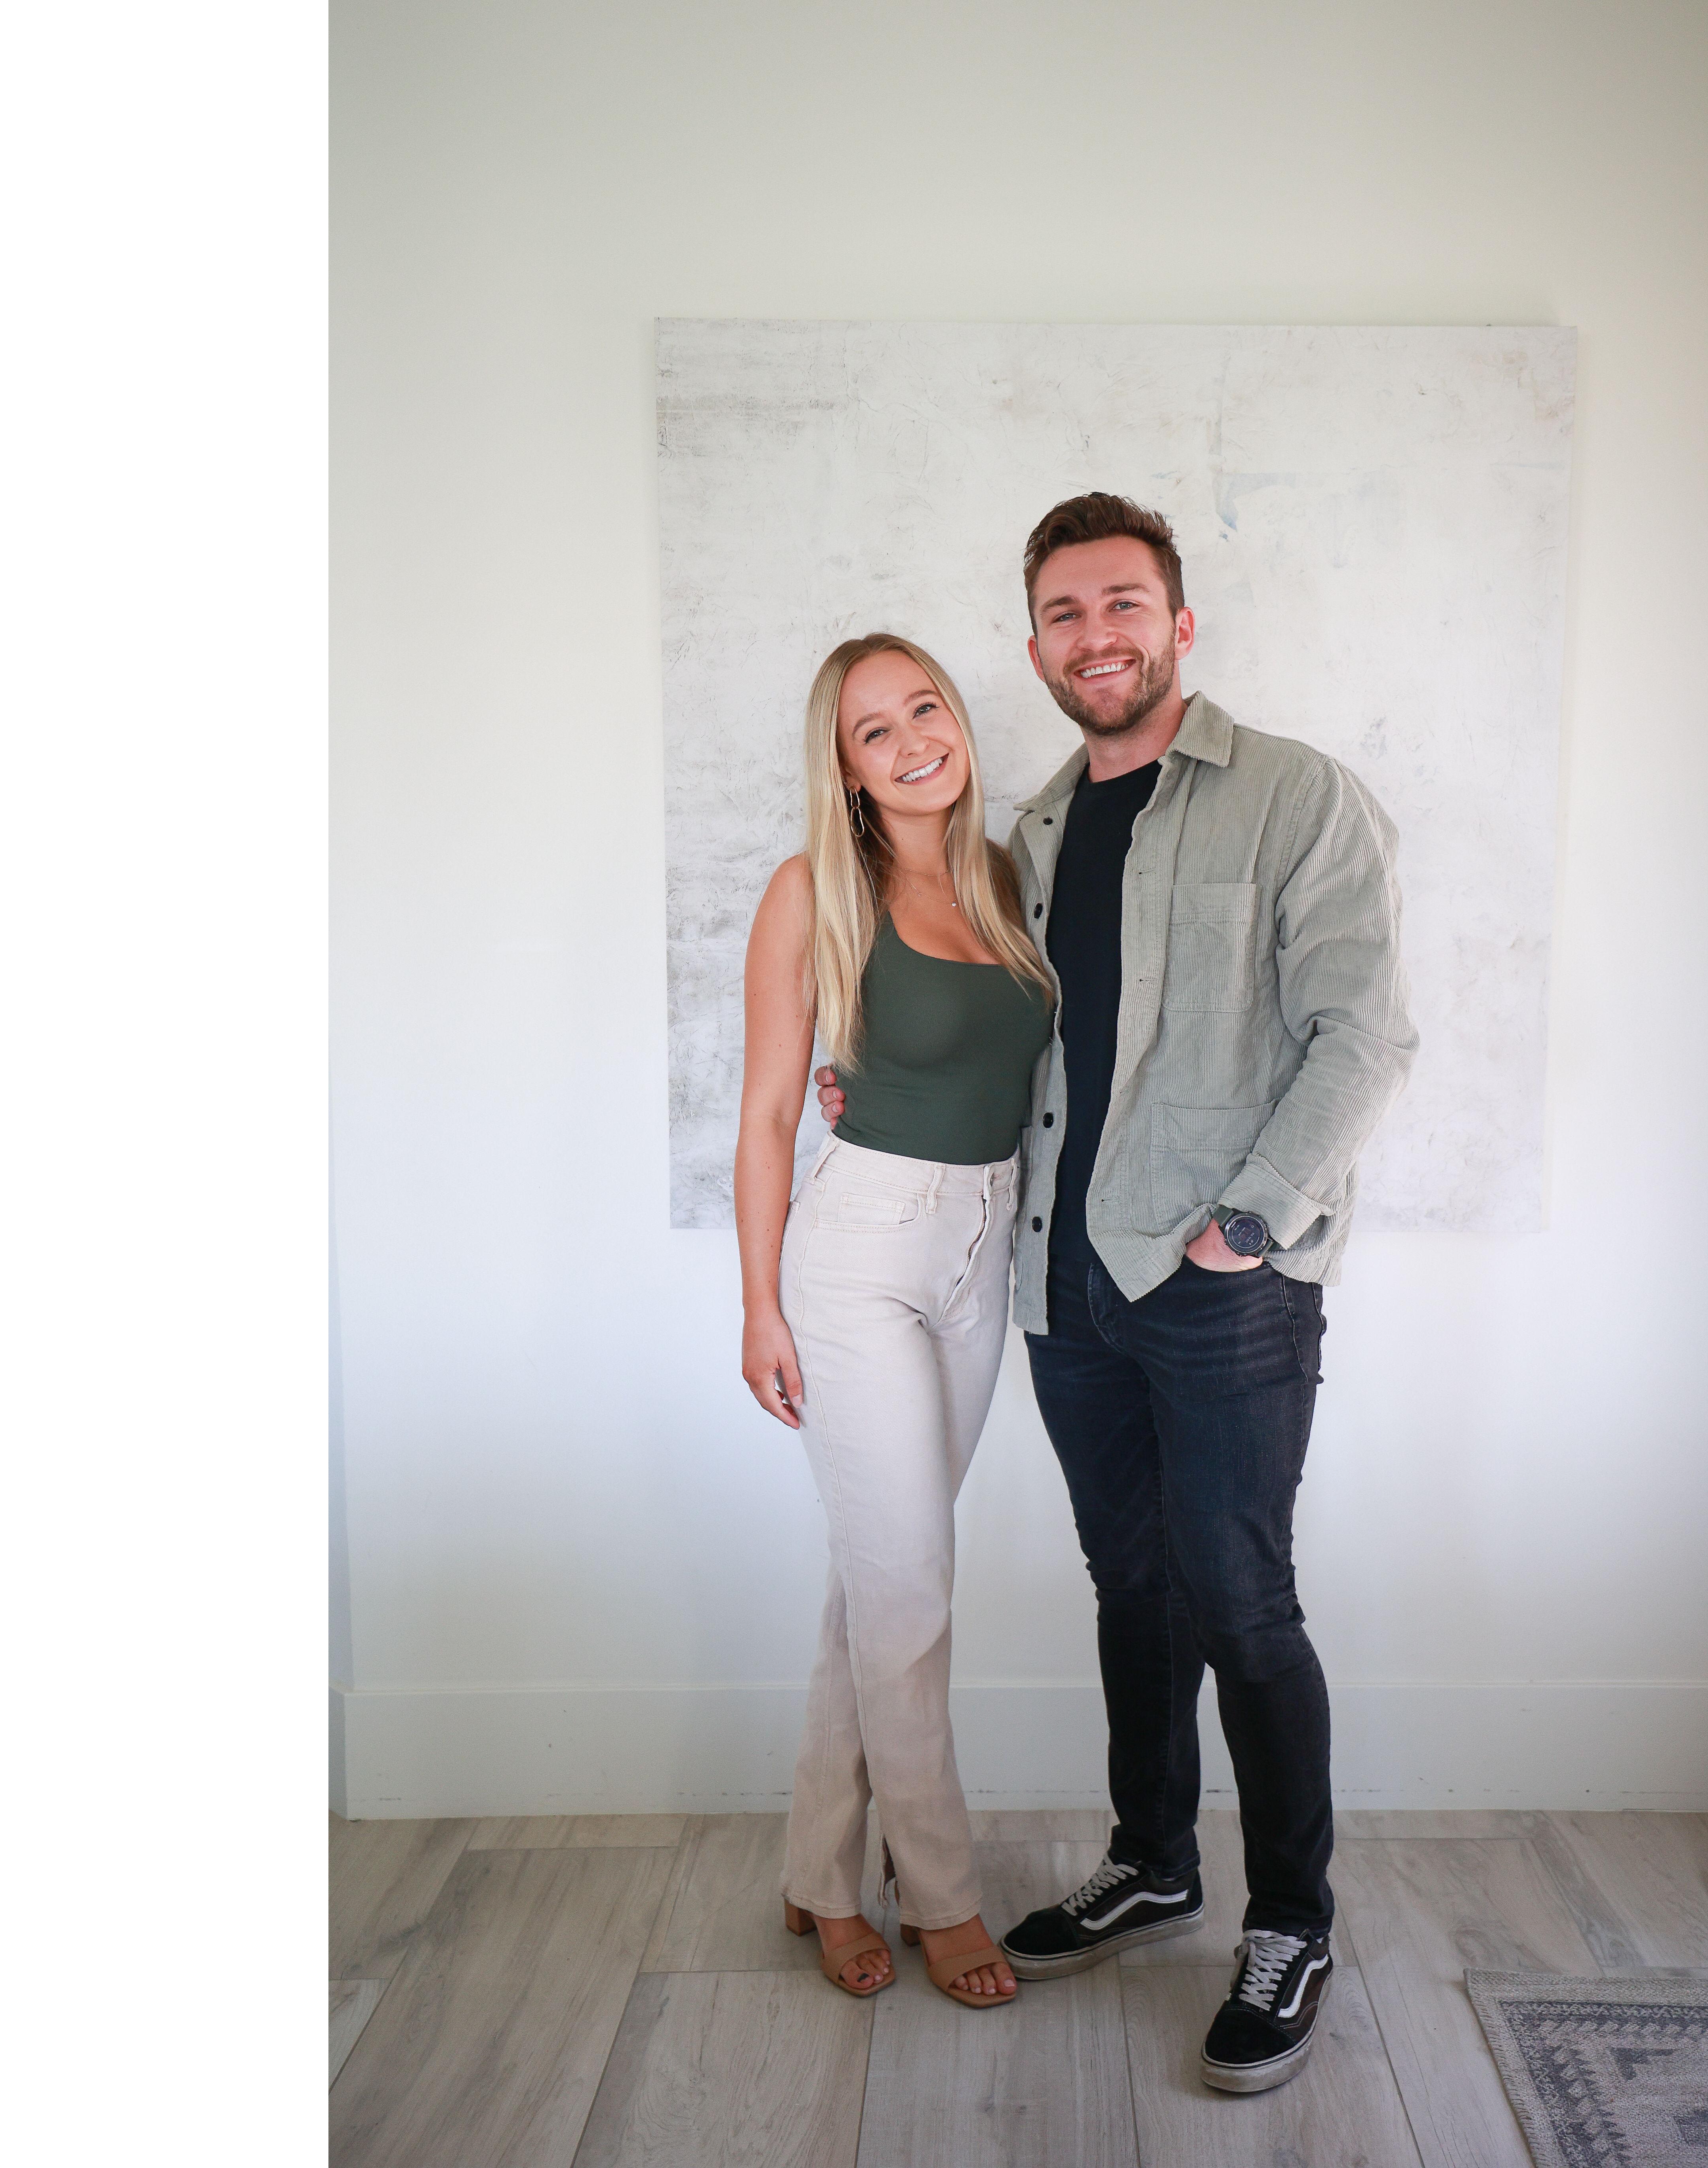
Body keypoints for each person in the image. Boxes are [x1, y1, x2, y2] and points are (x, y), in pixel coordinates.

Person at [817, 494, 1416, 2092]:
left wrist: (1250, 1225)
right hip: (1063, 1285)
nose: (1098, 637)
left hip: (1223, 1286)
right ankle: (1154, 1861)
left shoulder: (1295, 796)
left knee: (1240, 1598)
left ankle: (1291, 1922)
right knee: (1131, 1586)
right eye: (1066, 615)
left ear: (1178, 623)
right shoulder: (1032, 836)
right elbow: (1009, 1038)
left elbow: (1364, 1036)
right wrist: (863, 1084)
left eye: (1125, 604)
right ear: (1035, 648)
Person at [735, 633, 1053, 2010]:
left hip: (984, 1252)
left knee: (878, 1584)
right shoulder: (814, 890)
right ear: (847, 767)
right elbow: (766, 1113)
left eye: (926, 708)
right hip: (861, 1253)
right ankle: (942, 1897)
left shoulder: (1005, 879)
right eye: (876, 730)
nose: (915, 740)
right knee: (912, 1589)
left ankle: (818, 1874)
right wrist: (759, 1306)